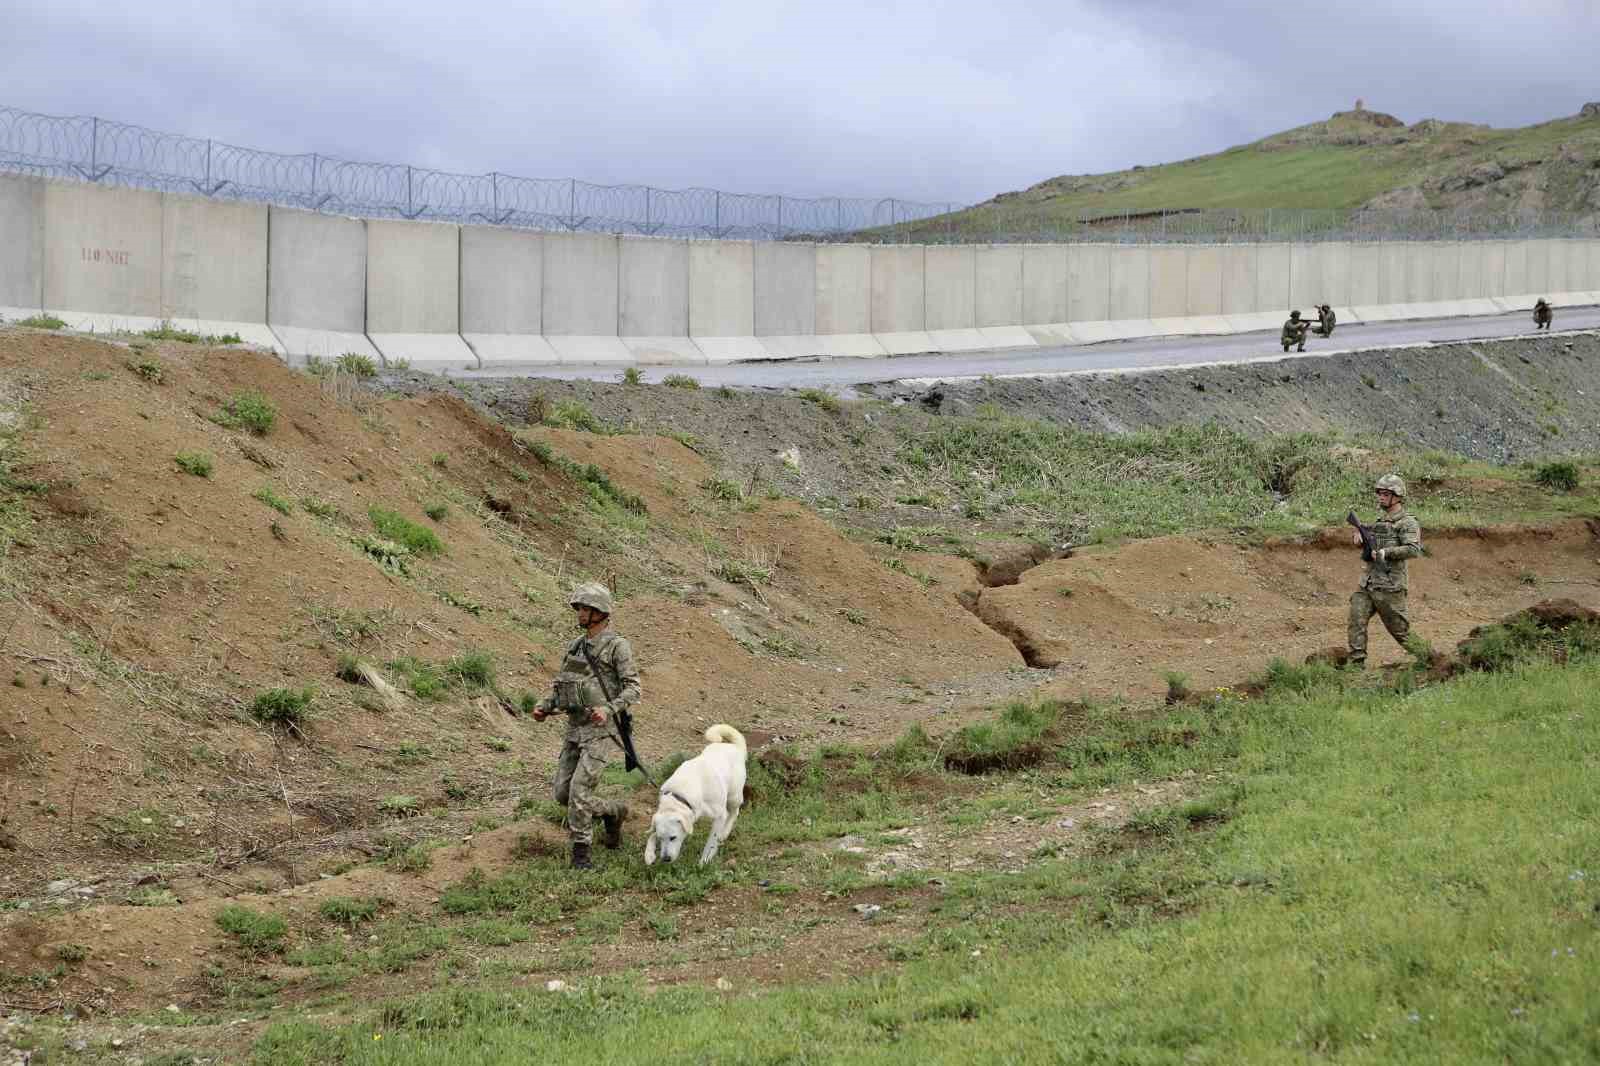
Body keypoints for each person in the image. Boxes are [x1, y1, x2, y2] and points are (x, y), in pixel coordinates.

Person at [528, 583, 641, 869]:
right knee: (562, 794)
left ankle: (581, 853)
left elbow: (633, 689)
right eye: (579, 608)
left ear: (600, 613)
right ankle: (613, 812)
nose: (580, 613)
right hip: (574, 728)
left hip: (600, 731)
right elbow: (565, 685)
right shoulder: (576, 646)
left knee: (579, 791)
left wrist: (608, 708)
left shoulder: (617, 646)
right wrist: (545, 706)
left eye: (586, 608)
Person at [1348, 474, 1425, 669]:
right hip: (1368, 582)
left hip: (1390, 587)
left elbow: (1413, 549)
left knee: (1400, 631)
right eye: (1379, 493)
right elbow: (1370, 549)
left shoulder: (1407, 523)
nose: (1380, 497)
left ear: (1397, 496)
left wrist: (1385, 552)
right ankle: (1357, 664)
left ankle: (1430, 658)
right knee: (1356, 619)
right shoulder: (1380, 521)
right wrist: (1360, 539)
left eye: (1385, 494)